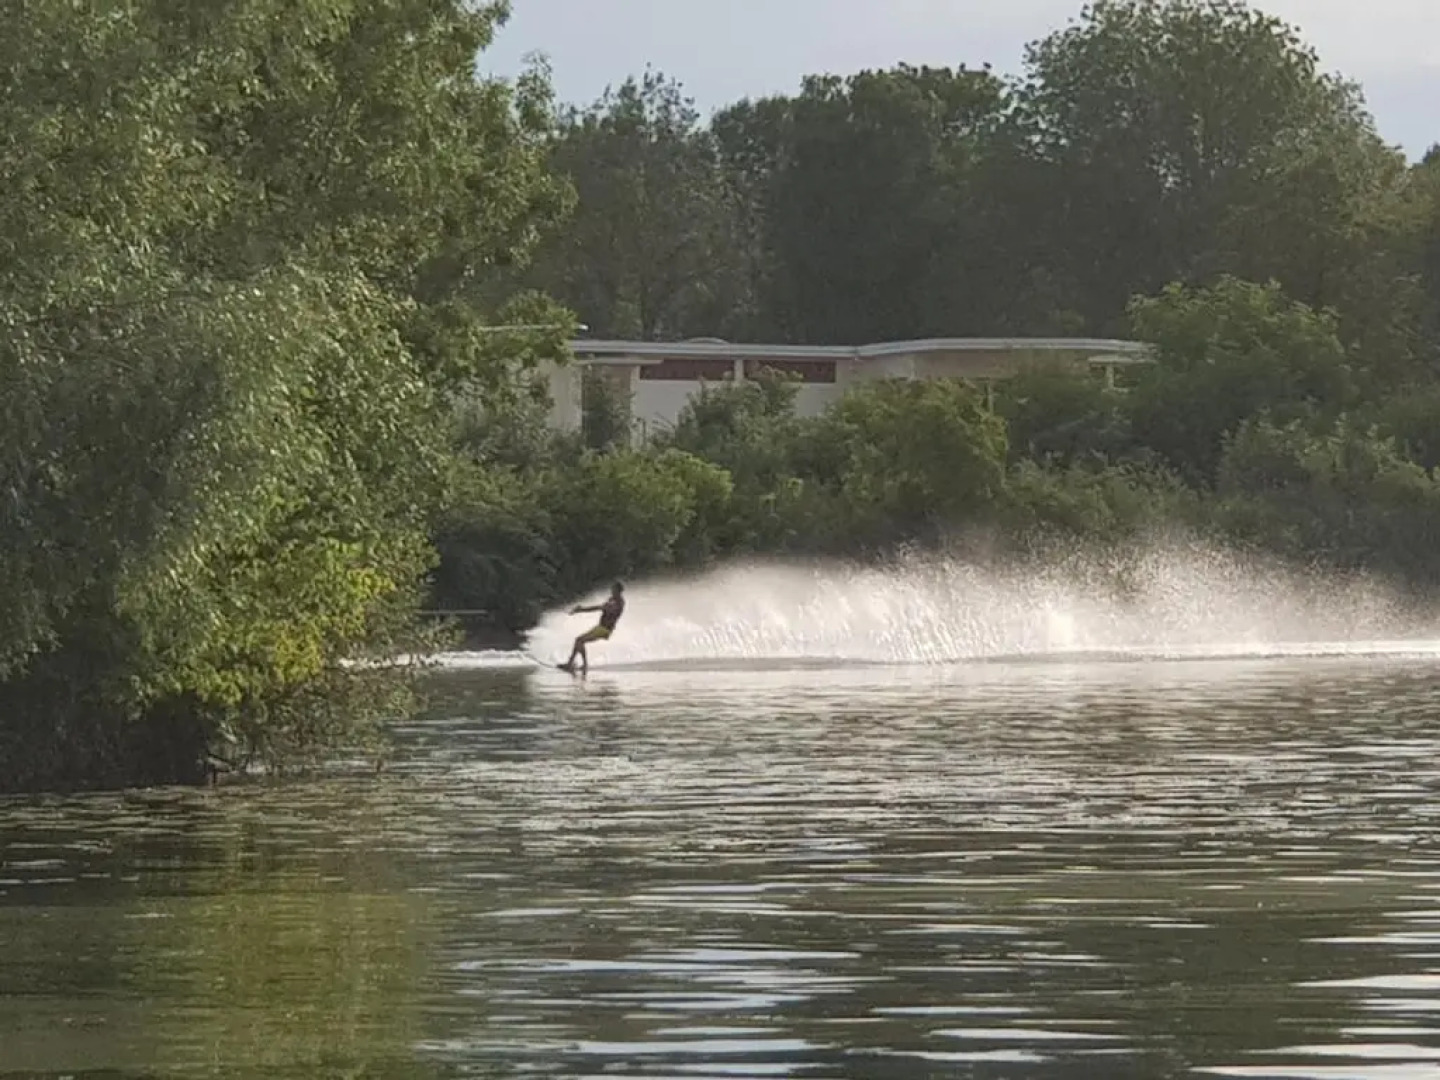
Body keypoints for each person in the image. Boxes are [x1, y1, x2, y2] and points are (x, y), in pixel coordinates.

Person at [560, 582, 625, 673]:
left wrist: (581, 609)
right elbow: (599, 608)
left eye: (613, 589)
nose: (611, 591)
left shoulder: (619, 603)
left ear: (619, 591)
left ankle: (584, 665)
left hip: (605, 630)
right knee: (578, 640)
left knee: (580, 640)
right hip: (600, 627)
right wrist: (581, 610)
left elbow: (602, 608)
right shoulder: (612, 599)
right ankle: (570, 663)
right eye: (612, 589)